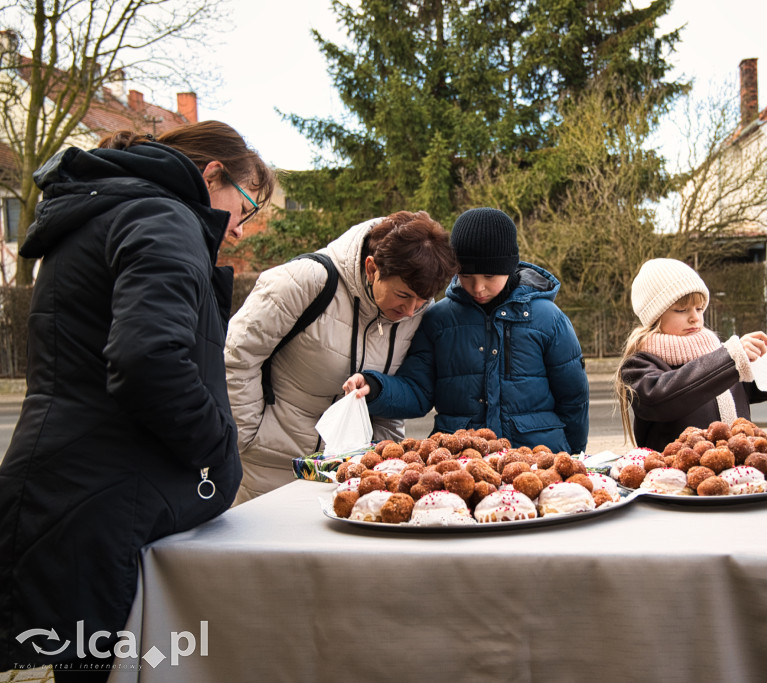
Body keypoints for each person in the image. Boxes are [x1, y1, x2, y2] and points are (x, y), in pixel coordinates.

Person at [0, 121, 274, 680]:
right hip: (108, 496)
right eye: (243, 208)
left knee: (83, 666)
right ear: (211, 174)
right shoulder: (162, 217)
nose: (240, 231)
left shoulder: (108, 211)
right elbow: (148, 360)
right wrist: (217, 446)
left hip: (74, 485)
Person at [225, 211, 459, 502]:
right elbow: (237, 357)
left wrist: (383, 459)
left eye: (422, 300)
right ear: (371, 268)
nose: (411, 310)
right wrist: (245, 438)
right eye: (402, 295)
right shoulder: (304, 281)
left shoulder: (417, 310)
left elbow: (392, 390)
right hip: (271, 466)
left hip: (353, 475)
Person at [343, 207, 589, 454]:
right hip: (460, 461)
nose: (478, 287)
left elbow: (574, 398)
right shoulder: (438, 320)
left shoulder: (549, 319)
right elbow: (417, 391)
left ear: (509, 266)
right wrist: (375, 387)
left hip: (539, 457)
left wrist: (574, 454)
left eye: (489, 276)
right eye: (466, 275)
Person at [614, 258, 767, 451]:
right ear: (654, 316)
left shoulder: (721, 354)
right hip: (674, 485)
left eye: (699, 309)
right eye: (682, 310)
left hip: (734, 480)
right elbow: (661, 398)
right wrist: (730, 360)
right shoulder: (638, 366)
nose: (694, 318)